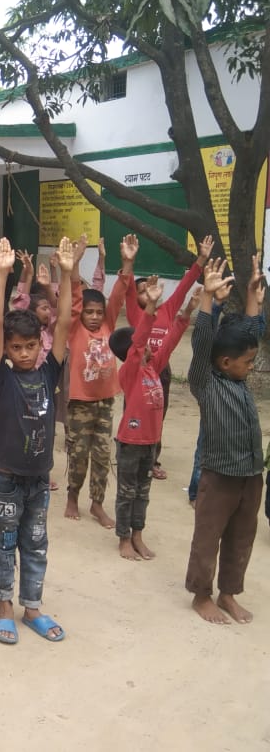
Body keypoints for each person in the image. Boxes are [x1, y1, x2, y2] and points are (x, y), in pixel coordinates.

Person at [0, 236, 73, 644]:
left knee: (36, 544)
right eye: (16, 347)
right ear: (6, 350)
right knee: (5, 543)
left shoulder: (49, 371)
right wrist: (2, 274)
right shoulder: (2, 377)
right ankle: (5, 605)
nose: (23, 353)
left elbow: (65, 322)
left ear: (41, 345)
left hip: (39, 480)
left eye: (30, 346)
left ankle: (32, 607)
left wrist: (67, 276)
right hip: (6, 477)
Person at [185, 256, 265, 625]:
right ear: (224, 362)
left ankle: (228, 593)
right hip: (219, 476)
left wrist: (252, 299)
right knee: (209, 536)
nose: (251, 367)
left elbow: (250, 332)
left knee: (242, 536)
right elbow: (203, 342)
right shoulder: (206, 383)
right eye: (247, 363)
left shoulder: (238, 377)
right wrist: (206, 298)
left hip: (251, 474)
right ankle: (202, 595)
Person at [108, 277, 195, 561]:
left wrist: (185, 314)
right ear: (132, 351)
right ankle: (123, 538)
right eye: (142, 344)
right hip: (130, 444)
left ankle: (137, 535)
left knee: (143, 493)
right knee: (127, 492)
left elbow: (169, 343)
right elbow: (139, 343)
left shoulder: (153, 367)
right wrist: (150, 307)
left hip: (149, 445)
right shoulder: (130, 372)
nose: (148, 346)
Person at [124, 235, 214, 480]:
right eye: (142, 292)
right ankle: (128, 451)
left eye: (150, 290)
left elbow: (184, 285)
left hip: (160, 371)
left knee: (157, 416)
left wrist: (201, 260)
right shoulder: (135, 313)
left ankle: (152, 459)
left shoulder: (168, 310)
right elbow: (127, 289)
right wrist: (128, 262)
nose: (148, 294)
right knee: (133, 414)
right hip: (137, 372)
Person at [64, 234, 134, 526]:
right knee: (79, 454)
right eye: (89, 312)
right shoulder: (73, 330)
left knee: (103, 455)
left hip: (105, 402)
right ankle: (72, 496)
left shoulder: (108, 324)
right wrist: (75, 263)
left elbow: (118, 294)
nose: (94, 317)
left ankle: (97, 503)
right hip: (80, 403)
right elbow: (74, 298)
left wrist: (127, 263)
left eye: (98, 313)